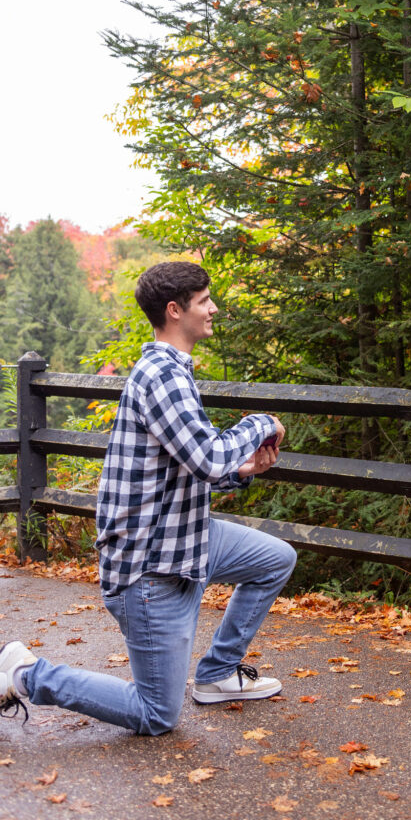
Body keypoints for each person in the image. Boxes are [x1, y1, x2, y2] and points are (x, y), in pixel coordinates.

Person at [0, 262, 297, 734]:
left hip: (185, 540)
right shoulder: (161, 375)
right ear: (175, 311)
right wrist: (262, 423)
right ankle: (26, 673)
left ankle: (218, 673)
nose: (214, 308)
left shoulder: (173, 371)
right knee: (155, 714)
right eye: (205, 301)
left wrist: (241, 470)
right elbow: (205, 457)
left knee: (274, 559)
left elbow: (190, 468)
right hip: (150, 567)